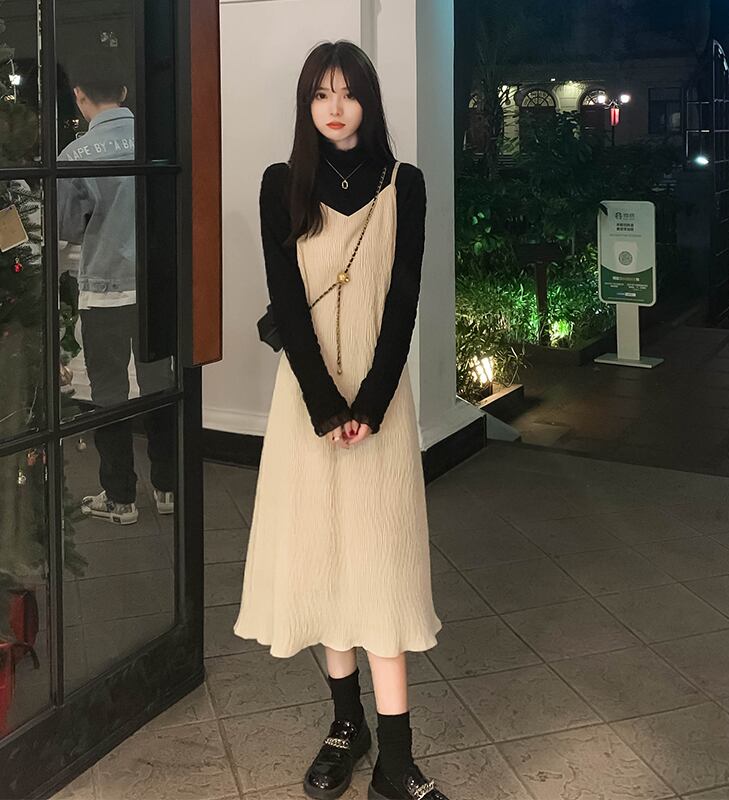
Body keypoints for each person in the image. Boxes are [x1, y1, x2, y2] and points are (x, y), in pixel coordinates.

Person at [233, 41, 447, 800]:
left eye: (348, 93)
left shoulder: (404, 185)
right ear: (307, 104)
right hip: (308, 400)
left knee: (384, 564)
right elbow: (288, 304)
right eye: (321, 94)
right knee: (324, 555)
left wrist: (373, 403)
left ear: (368, 102)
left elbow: (404, 299)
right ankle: (346, 724)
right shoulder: (281, 183)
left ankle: (397, 760)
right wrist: (327, 407)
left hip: (380, 401)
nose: (334, 107)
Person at [57, 51, 175, 525]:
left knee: (108, 392)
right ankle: (168, 489)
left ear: (79, 96)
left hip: (104, 290)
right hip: (155, 286)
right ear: (125, 92)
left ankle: (121, 498)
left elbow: (68, 226)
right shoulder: (157, 142)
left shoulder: (73, 156)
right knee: (160, 386)